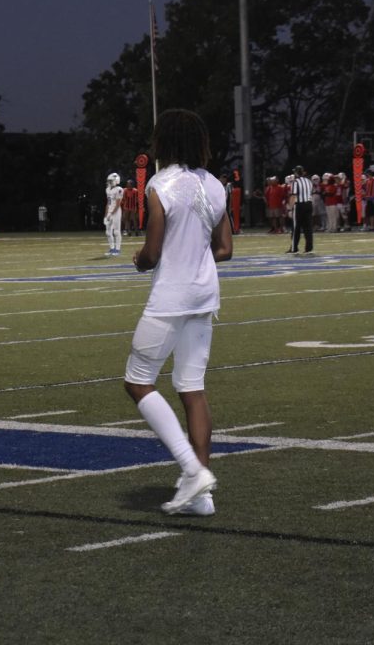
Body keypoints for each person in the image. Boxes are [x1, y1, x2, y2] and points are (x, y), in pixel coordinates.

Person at [125, 108, 233, 516]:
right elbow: (225, 249)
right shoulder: (214, 185)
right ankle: (201, 497)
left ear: (164, 143)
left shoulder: (160, 184)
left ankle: (193, 470)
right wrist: (193, 254)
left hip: (171, 296)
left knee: (137, 382)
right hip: (205, 296)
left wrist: (138, 259)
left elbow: (152, 254)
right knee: (192, 387)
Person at [288, 166, 314, 254]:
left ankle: (294, 248)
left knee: (296, 228)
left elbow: (293, 196)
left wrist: (289, 209)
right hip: (309, 204)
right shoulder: (309, 181)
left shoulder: (295, 182)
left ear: (296, 173)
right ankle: (309, 248)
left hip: (299, 206)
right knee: (308, 228)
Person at [104, 172, 124, 256]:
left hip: (116, 211)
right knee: (108, 232)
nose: (109, 182)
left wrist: (111, 213)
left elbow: (118, 204)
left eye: (111, 181)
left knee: (116, 231)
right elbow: (108, 203)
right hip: (110, 211)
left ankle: (117, 249)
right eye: (109, 181)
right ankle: (112, 248)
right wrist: (106, 215)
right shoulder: (107, 189)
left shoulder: (119, 189)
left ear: (116, 181)